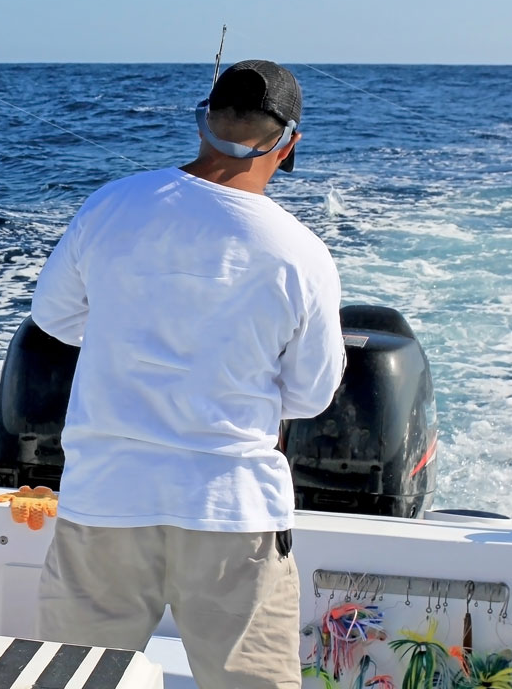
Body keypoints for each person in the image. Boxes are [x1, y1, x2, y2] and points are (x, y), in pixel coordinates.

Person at [31, 60, 345, 689]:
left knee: (73, 681)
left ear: (203, 120)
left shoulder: (110, 204)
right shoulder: (301, 253)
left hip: (105, 500)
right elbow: (310, 396)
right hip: (233, 514)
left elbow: (55, 318)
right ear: (289, 147)